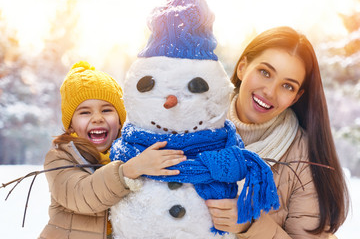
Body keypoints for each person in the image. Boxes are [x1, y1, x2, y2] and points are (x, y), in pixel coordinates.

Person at [205, 26, 349, 238]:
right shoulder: (194, 120)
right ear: (242, 67)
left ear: (296, 97)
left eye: (287, 86)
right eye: (265, 73)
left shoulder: (305, 160)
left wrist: (251, 224)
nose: (270, 92)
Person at [38, 61, 185, 239]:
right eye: (85, 112)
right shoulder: (61, 158)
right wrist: (128, 170)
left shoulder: (133, 154)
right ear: (71, 126)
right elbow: (82, 195)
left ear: (120, 120)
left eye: (106, 110)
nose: (97, 118)